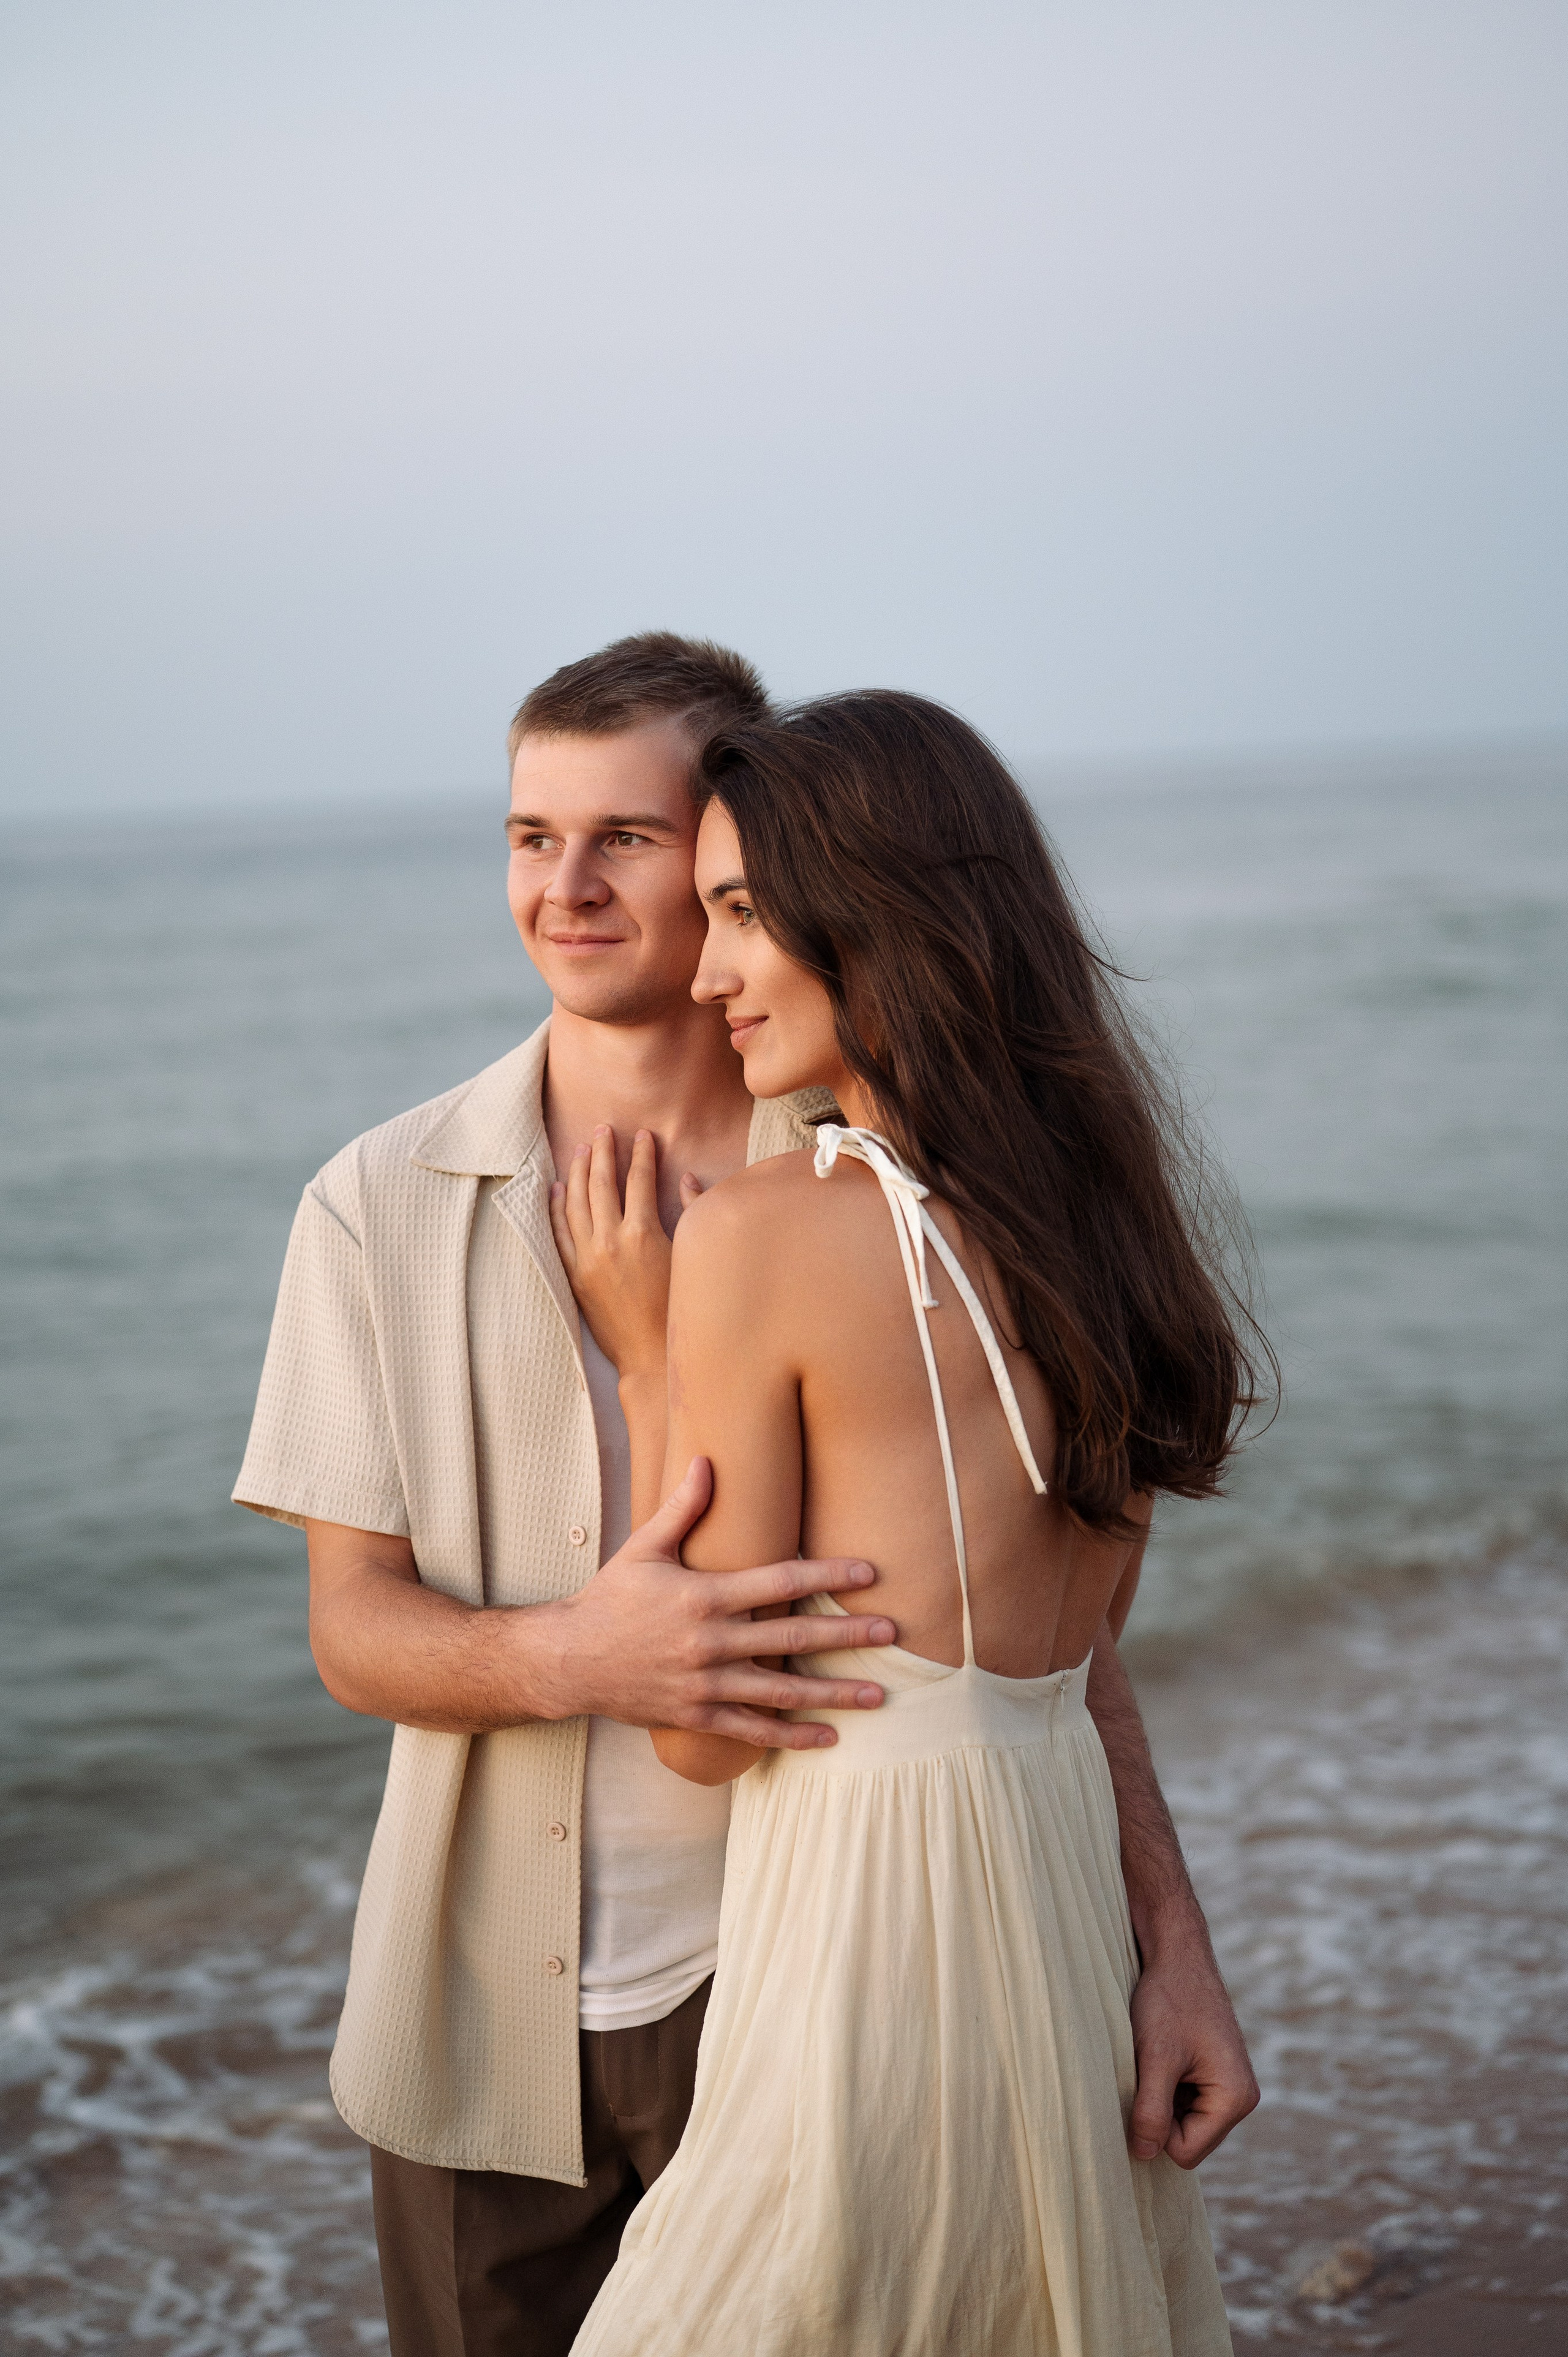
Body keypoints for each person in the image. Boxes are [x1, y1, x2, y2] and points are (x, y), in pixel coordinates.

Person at [233, 636, 1255, 2357]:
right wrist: (584, 1659)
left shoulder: (870, 1191)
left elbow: (1056, 1642)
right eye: (526, 835)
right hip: (497, 2013)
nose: (565, 889)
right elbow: (354, 1632)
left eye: (627, 839)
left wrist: (1175, 1942)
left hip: (816, 1980)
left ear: (755, 866)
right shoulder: (374, 1207)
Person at [554, 692, 1264, 2355]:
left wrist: (656, 1354)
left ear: (878, 917)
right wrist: (1183, 1956)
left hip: (871, 1950)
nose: (704, 971)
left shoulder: (761, 1233)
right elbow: (1086, 1662)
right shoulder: (1109, 1227)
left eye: (740, 916)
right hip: (1061, 1929)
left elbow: (710, 1732)